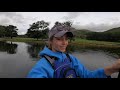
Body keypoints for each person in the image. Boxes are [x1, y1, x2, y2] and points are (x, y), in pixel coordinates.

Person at [27, 24, 120, 78]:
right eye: (59, 39)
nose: (64, 43)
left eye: (66, 39)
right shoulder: (42, 66)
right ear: (51, 41)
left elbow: (87, 75)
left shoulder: (71, 59)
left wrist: (112, 69)